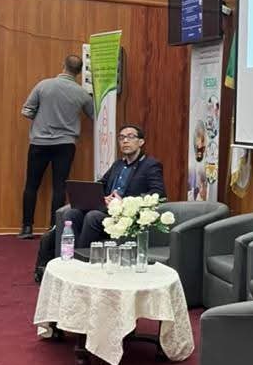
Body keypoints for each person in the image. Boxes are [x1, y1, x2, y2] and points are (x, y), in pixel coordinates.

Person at [19, 55, 95, 237]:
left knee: (31, 185)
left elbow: (26, 111)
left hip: (39, 142)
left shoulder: (43, 85)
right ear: (79, 71)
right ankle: (54, 229)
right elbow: (96, 116)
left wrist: (41, 119)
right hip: (65, 144)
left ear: (63, 65)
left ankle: (27, 227)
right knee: (59, 187)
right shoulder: (82, 94)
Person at [61, 124, 166, 249]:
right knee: (71, 214)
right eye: (121, 138)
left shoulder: (150, 165)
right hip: (106, 209)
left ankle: (80, 256)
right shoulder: (118, 164)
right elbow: (101, 184)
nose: (125, 140)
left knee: (92, 216)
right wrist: (102, 198)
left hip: (125, 215)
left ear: (141, 142)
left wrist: (125, 202)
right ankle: (69, 253)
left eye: (130, 137)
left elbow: (159, 193)